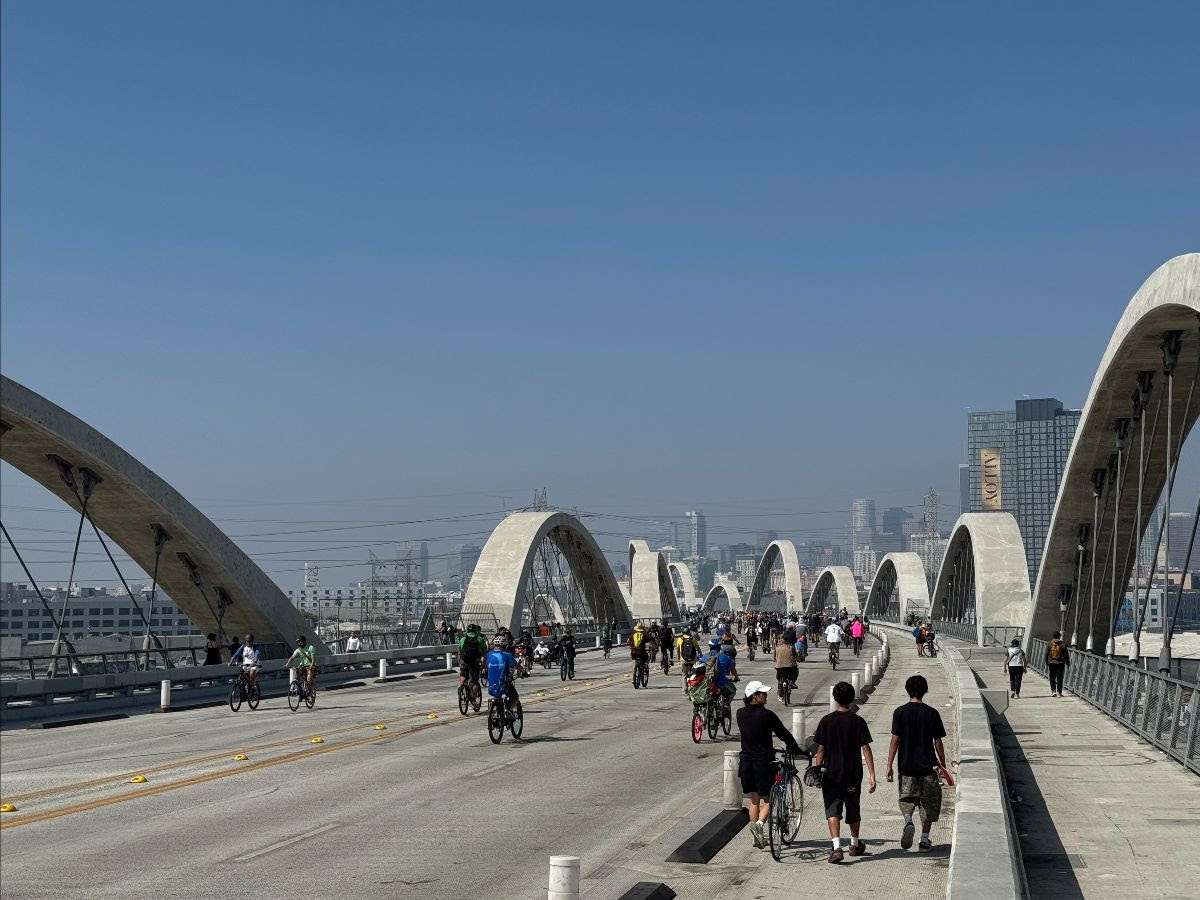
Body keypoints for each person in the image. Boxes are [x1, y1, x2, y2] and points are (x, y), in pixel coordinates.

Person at [813, 681, 876, 863]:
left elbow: (821, 750)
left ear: (835, 698)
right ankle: (855, 844)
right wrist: (872, 775)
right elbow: (866, 748)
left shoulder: (826, 721)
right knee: (853, 808)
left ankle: (837, 847)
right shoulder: (858, 721)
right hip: (853, 774)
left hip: (831, 774)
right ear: (851, 698)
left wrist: (818, 770)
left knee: (833, 810)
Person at [737, 680, 806, 849]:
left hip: (746, 762)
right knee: (769, 800)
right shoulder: (766, 715)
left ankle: (756, 837)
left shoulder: (740, 713)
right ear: (754, 696)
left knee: (754, 800)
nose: (766, 696)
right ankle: (759, 825)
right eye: (763, 694)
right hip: (763, 763)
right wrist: (795, 749)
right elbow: (783, 734)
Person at [886, 674, 948, 853]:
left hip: (906, 766)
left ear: (907, 690)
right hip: (928, 767)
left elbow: (895, 740)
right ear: (925, 691)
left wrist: (889, 765)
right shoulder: (932, 713)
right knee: (928, 803)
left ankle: (908, 821)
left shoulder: (899, 712)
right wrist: (942, 765)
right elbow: (938, 742)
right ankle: (924, 840)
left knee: (907, 799)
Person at [485, 635, 519, 710]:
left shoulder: (489, 655)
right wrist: (524, 672)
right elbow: (517, 666)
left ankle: (496, 712)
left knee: (497, 695)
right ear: (505, 646)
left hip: (491, 686)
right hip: (504, 684)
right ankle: (508, 710)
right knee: (515, 697)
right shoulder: (507, 655)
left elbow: (485, 664)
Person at [457, 623, 487, 691]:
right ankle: (473, 699)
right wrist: (483, 662)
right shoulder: (480, 639)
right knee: (474, 681)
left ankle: (461, 688)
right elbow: (484, 652)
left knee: (463, 675)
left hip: (464, 660)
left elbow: (460, 651)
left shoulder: (462, 639)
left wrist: (459, 662)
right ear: (476, 631)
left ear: (467, 630)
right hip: (475, 661)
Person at [1045, 631, 1070, 697]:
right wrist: (1068, 662)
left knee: (1052, 677)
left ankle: (1053, 691)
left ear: (1053, 636)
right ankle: (1059, 692)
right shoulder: (1063, 644)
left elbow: (1046, 654)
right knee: (1060, 678)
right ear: (1059, 636)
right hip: (1060, 663)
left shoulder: (1049, 643)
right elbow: (1066, 655)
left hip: (1052, 662)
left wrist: (1046, 662)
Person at [676, 626, 701, 693]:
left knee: (684, 674)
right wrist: (700, 654)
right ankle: (695, 687)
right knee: (695, 673)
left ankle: (684, 689)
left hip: (683, 660)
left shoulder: (679, 639)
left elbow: (678, 650)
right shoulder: (692, 638)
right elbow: (698, 648)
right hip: (692, 659)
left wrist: (679, 658)